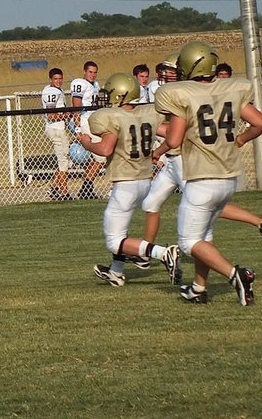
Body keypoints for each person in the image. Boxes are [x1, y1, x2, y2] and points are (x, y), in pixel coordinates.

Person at [152, 41, 262, 306]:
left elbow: (175, 138)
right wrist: (240, 139)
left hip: (202, 178)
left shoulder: (182, 94)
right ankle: (198, 288)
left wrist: (158, 151)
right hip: (228, 178)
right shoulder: (230, 88)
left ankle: (234, 274)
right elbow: (260, 123)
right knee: (204, 237)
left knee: (188, 242)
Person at [78, 73, 181, 288]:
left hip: (125, 183)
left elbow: (106, 148)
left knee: (114, 240)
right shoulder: (147, 114)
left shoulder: (113, 117)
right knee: (121, 232)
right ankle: (116, 272)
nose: (105, 98)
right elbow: (171, 133)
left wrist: (87, 144)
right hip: (144, 180)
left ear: (120, 94)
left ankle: (162, 253)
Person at [71, 61, 103, 198]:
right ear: (84, 71)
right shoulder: (80, 83)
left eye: (95, 72)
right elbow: (76, 107)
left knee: (97, 158)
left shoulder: (95, 85)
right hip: (85, 122)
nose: (93, 75)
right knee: (101, 157)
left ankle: (86, 189)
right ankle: (86, 188)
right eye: (90, 72)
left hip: (94, 121)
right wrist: (78, 129)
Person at [41, 67, 73, 200]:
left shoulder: (55, 90)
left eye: (60, 78)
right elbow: (51, 115)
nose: (58, 81)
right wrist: (66, 115)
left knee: (67, 159)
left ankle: (54, 187)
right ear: (50, 79)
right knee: (63, 160)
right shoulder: (51, 91)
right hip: (56, 129)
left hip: (57, 128)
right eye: (55, 79)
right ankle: (64, 192)